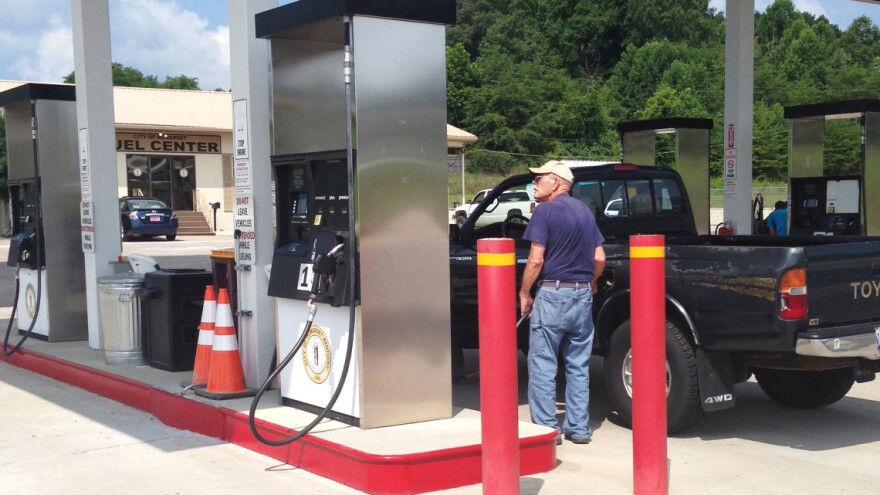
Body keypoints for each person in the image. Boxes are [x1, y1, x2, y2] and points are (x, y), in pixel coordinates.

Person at [519, 160, 606, 445]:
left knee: (543, 365)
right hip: (582, 295)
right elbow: (600, 258)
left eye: (538, 179)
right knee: (578, 364)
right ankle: (578, 429)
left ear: (555, 182)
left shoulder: (545, 212)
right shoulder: (585, 211)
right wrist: (591, 282)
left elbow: (535, 259)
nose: (534, 183)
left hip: (553, 295)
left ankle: (547, 431)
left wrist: (524, 293)